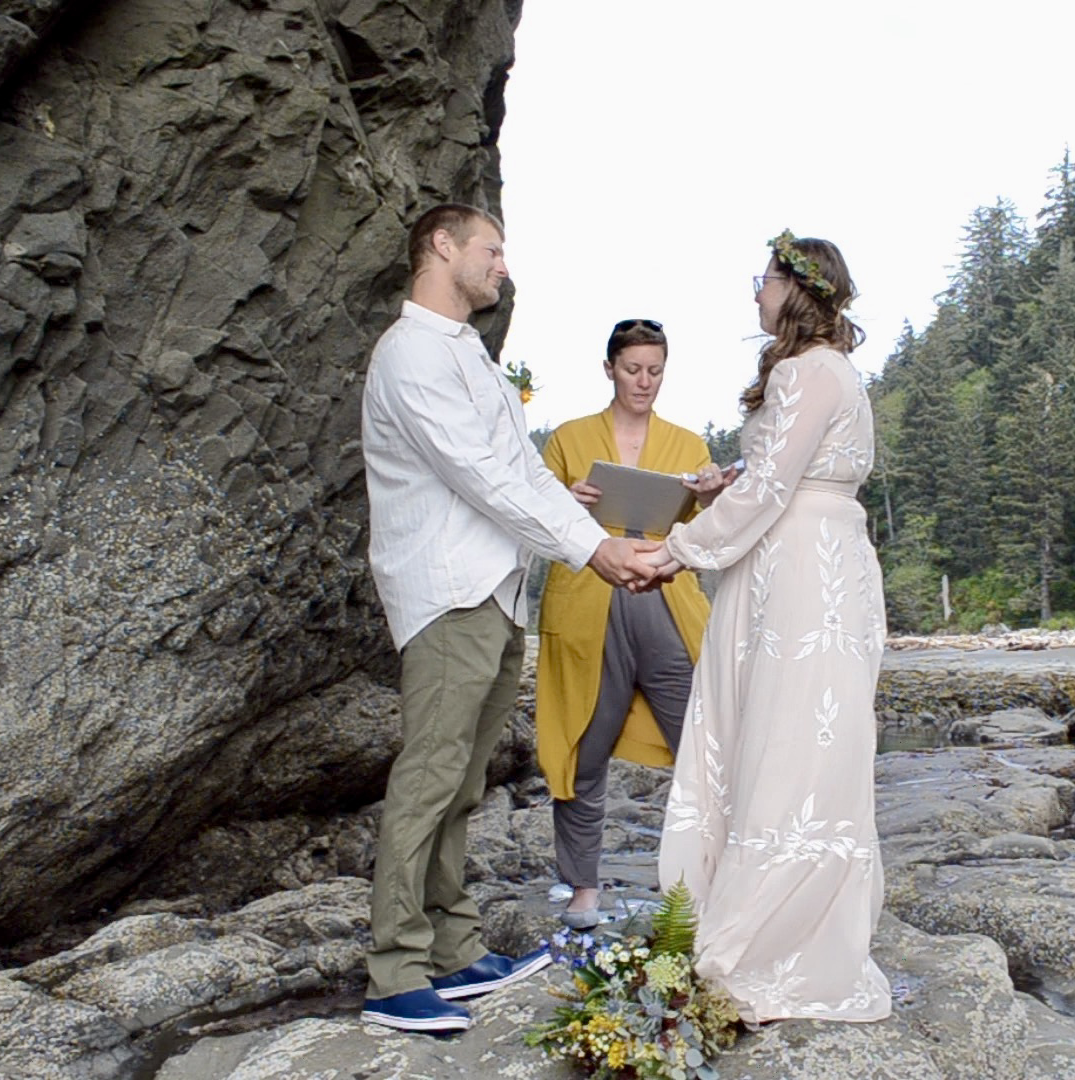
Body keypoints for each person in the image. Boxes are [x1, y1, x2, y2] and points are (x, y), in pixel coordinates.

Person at [358, 203, 661, 1035]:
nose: (501, 265)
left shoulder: (470, 356)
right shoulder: (410, 352)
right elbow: (480, 475)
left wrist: (575, 520)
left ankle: (454, 953)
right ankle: (394, 972)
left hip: (495, 589)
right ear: (442, 247)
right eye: (490, 249)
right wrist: (594, 550)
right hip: (446, 590)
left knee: (460, 782)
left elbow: (516, 474)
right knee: (427, 778)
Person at [638, 231, 892, 1023]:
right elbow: (787, 469)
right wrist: (728, 478)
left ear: (798, 288)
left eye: (766, 279)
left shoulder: (806, 370)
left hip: (799, 576)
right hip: (806, 562)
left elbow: (779, 485)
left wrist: (674, 551)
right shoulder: (828, 372)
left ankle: (765, 937)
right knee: (788, 732)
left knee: (789, 737)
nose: (756, 293)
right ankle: (764, 912)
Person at [535, 319, 738, 929]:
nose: (644, 381)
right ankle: (582, 887)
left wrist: (708, 497)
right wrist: (563, 501)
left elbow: (715, 526)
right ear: (609, 368)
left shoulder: (687, 443)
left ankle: (716, 876)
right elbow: (533, 512)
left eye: (654, 370)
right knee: (582, 743)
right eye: (632, 369)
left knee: (700, 742)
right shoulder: (568, 439)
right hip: (586, 601)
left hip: (667, 598)